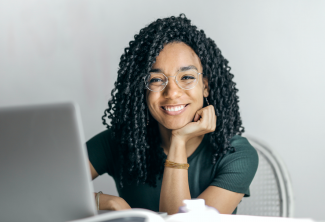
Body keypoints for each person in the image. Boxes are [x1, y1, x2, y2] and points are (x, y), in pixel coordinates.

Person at [86, 14, 258, 215]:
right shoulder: (119, 141)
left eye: (186, 77)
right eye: (157, 80)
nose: (172, 92)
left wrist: (179, 140)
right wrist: (108, 202)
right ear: (142, 89)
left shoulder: (235, 154)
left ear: (206, 86)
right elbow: (45, 187)